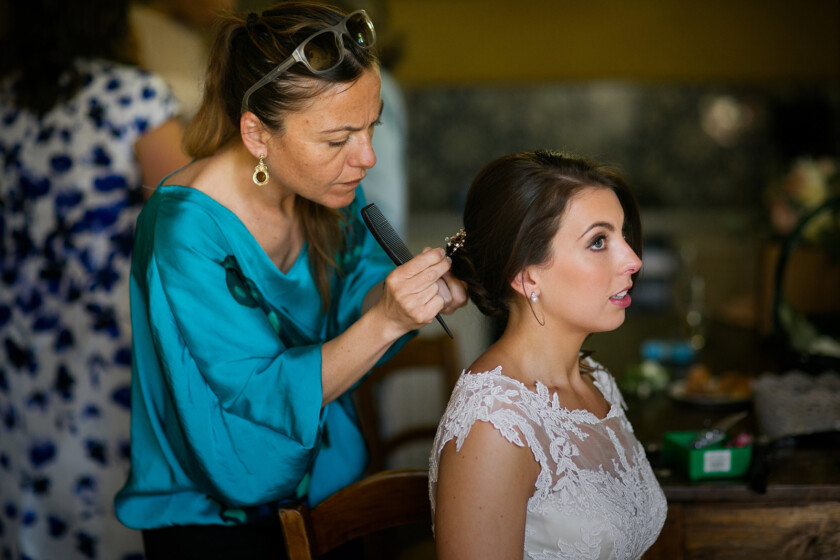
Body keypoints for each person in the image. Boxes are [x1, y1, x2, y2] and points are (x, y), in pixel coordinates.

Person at [112, 2, 467, 558]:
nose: (365, 157)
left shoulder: (329, 189)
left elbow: (360, 286)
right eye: (337, 139)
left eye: (371, 128)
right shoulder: (184, 230)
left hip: (328, 495)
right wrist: (387, 321)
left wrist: (412, 294)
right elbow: (258, 392)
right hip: (215, 526)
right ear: (256, 134)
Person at [0, 1, 189, 559]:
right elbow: (184, 214)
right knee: (106, 486)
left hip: (17, 332)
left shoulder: (5, 99)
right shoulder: (132, 97)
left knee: (31, 486)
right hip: (105, 330)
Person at [430, 150, 667, 559]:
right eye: (598, 242)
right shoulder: (494, 425)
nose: (633, 259)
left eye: (623, 235)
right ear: (526, 275)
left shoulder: (594, 378)